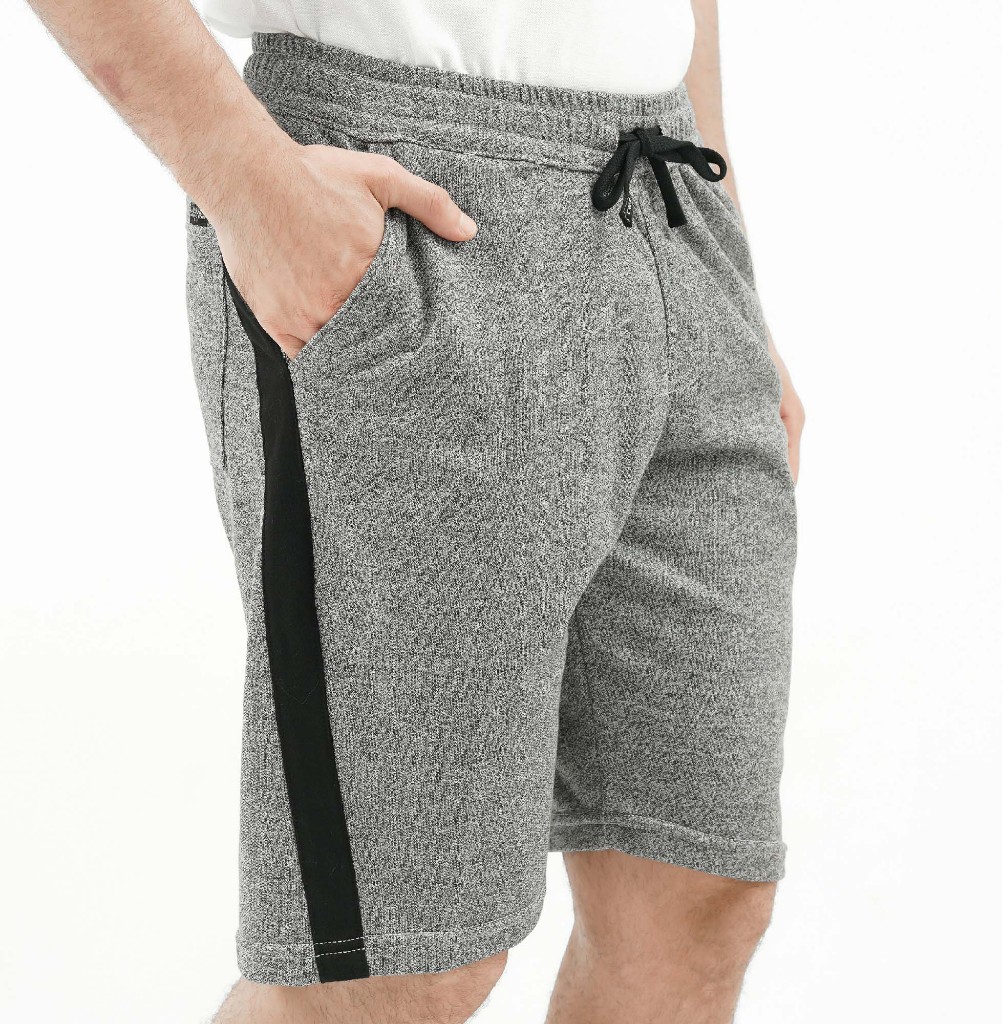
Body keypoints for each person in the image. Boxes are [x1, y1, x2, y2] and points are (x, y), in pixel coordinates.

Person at [26, 1, 804, 1020]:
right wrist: (250, 185)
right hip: (408, 189)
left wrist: (726, 255)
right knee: (396, 967)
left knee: (699, 888)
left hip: (667, 192)